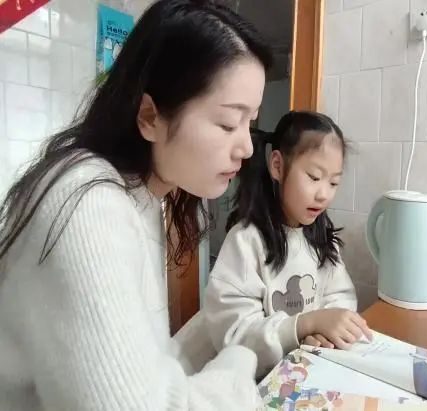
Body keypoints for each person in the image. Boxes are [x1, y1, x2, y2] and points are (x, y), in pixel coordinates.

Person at [0, 1, 271, 409]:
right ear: (149, 116)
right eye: (228, 123)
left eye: (250, 123)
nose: (247, 147)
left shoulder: (140, 196)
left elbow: (146, 365)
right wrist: (237, 366)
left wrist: (232, 347)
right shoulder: (86, 203)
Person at [204, 111, 372, 378]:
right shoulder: (246, 241)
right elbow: (235, 334)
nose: (324, 194)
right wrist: (304, 325)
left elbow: (340, 298)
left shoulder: (322, 239)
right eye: (314, 177)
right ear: (278, 166)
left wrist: (322, 331)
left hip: (310, 372)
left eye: (334, 182)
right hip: (257, 382)